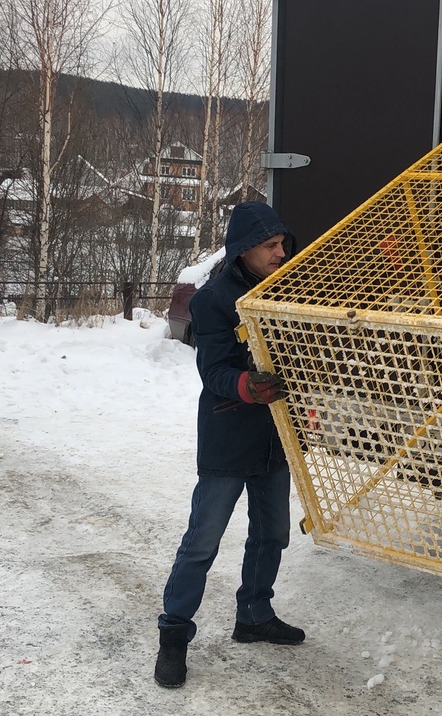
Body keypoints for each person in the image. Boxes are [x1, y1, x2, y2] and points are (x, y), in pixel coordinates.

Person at [154, 201, 304, 689]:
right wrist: (249, 387)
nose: (281, 253)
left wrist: (305, 400)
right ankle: (173, 636)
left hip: (274, 440)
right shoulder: (214, 299)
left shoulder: (285, 289)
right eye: (271, 246)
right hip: (227, 438)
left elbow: (297, 360)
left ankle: (254, 615)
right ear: (245, 250)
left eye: (282, 244)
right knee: (202, 543)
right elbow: (214, 372)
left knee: (272, 535)